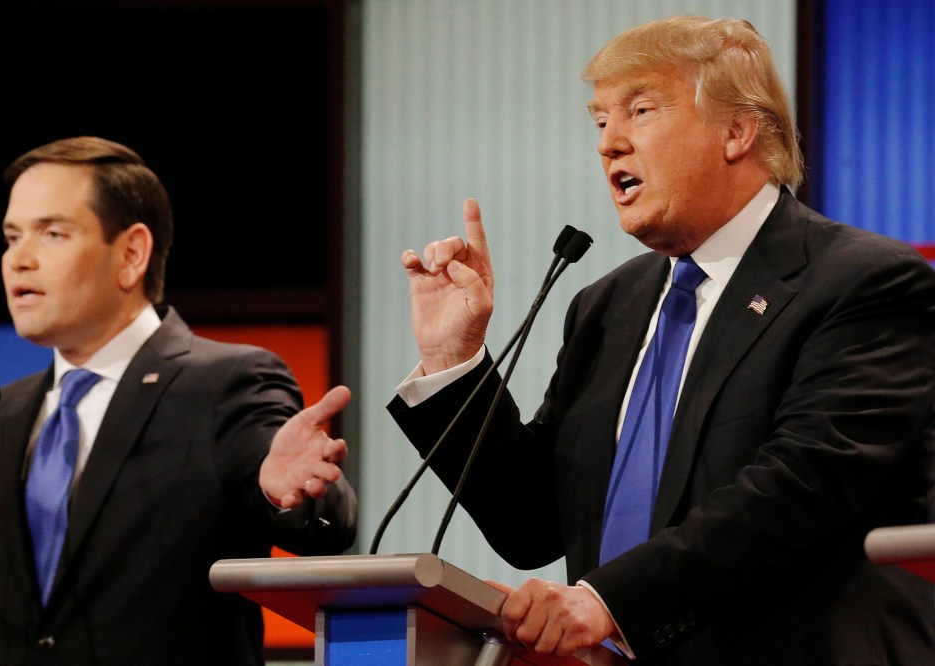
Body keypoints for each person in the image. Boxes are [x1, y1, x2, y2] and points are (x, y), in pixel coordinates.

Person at [388, 15, 935, 665]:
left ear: (736, 131)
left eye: (640, 110)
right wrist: (452, 358)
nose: (608, 144)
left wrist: (608, 601)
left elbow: (803, 488)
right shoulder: (607, 305)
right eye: (600, 121)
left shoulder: (863, 281)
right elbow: (532, 523)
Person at [0, 136, 357, 665]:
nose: (18, 259)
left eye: (52, 233)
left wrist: (293, 497)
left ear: (132, 254)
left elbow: (324, 527)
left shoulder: (224, 385)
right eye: (12, 237)